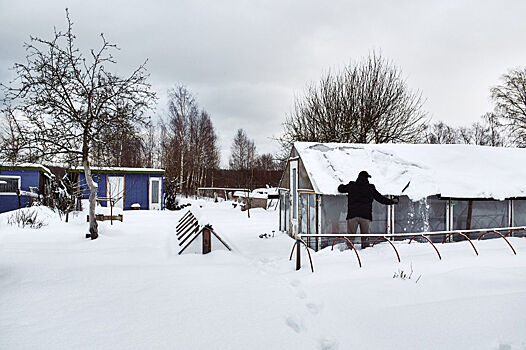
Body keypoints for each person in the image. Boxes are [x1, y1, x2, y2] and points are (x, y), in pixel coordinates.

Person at [338, 170, 398, 249]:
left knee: (351, 236)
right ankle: (366, 251)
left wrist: (341, 185)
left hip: (352, 215)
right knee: (365, 237)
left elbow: (340, 189)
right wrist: (392, 201)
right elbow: (381, 199)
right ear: (367, 178)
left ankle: (349, 251)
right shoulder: (370, 188)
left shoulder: (352, 185)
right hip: (365, 216)